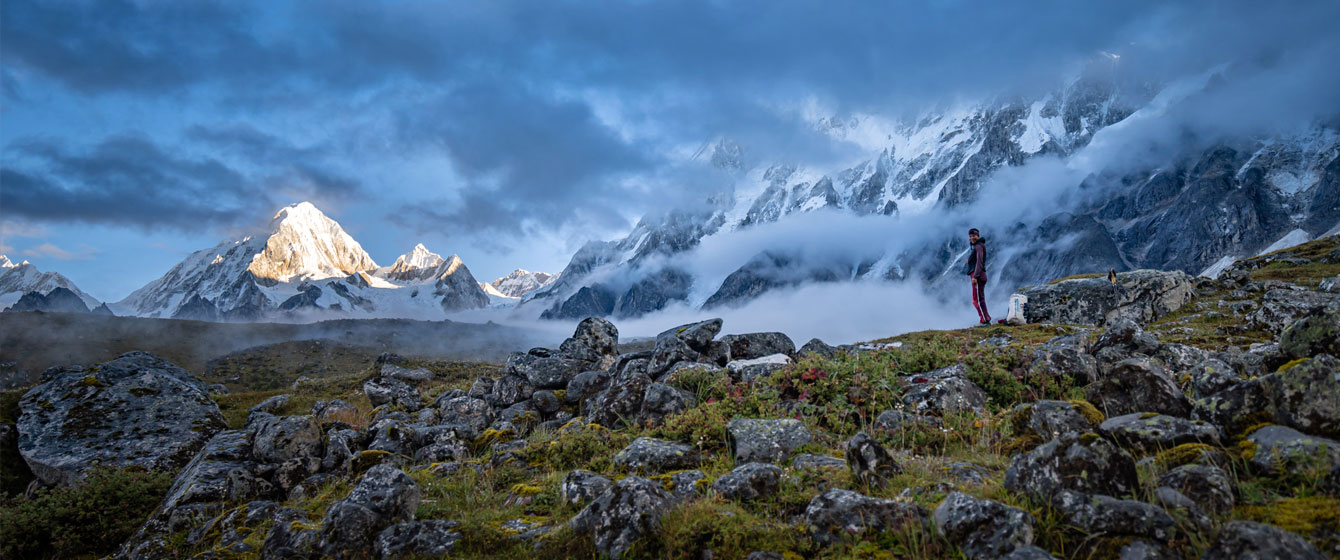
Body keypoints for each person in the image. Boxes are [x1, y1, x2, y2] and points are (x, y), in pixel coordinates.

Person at [964, 228, 990, 324]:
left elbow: (979, 261)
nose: (972, 238)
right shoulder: (978, 246)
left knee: (976, 299)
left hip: (977, 276)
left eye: (974, 236)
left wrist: (975, 276)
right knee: (980, 298)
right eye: (970, 236)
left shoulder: (978, 246)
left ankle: (984, 320)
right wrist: (969, 260)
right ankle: (985, 318)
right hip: (980, 275)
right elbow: (977, 260)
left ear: (978, 236)